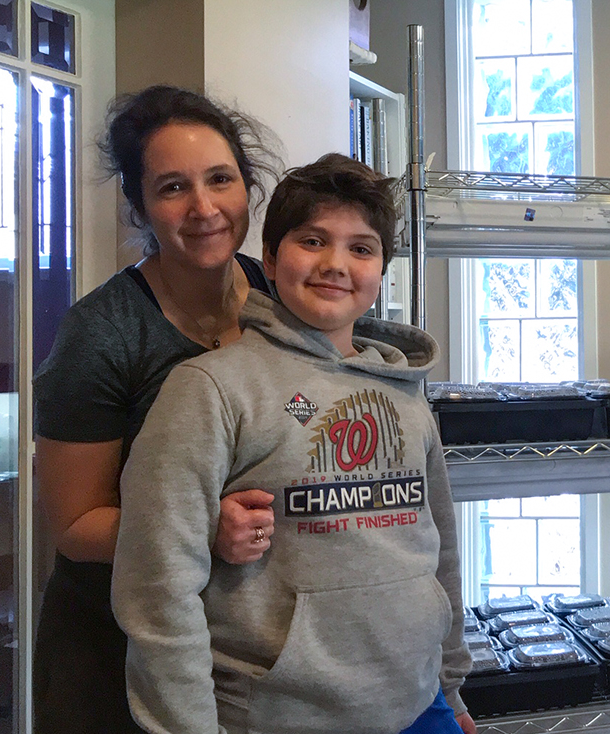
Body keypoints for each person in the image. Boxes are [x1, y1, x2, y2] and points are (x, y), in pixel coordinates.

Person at [111, 154, 473, 734]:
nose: (335, 265)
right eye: (313, 240)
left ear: (381, 270)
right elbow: (157, 587)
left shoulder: (407, 395)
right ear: (272, 260)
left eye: (361, 248)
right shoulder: (209, 389)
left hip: (419, 703)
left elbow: (441, 549)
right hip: (277, 714)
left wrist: (451, 689)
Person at [33, 85, 281, 734]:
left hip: (242, 645)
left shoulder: (284, 303)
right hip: (111, 655)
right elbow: (74, 522)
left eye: (220, 180)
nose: (204, 208)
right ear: (139, 205)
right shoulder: (102, 333)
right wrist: (202, 531)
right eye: (172, 187)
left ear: (247, 188)